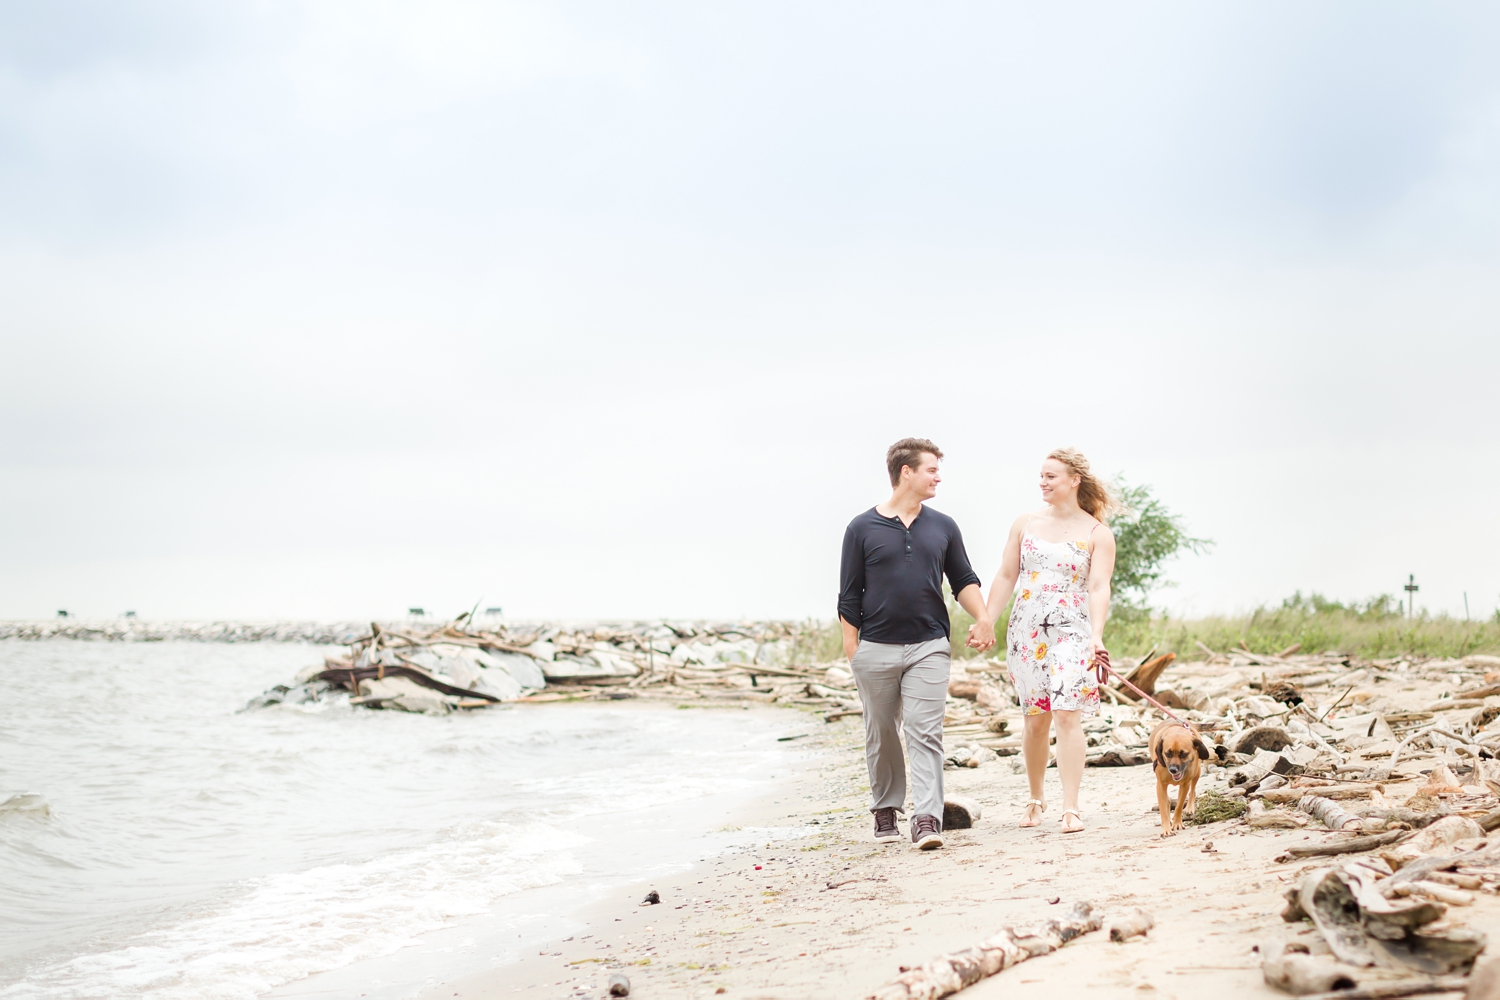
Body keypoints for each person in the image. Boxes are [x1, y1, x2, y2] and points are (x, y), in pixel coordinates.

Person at [839, 438, 995, 850]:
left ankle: (927, 818)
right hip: (875, 647)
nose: (938, 476)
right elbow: (849, 595)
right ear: (906, 472)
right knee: (882, 731)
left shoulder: (943, 526)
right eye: (931, 469)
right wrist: (853, 651)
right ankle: (887, 809)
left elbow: (962, 579)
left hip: (929, 645)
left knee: (925, 732)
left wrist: (982, 617)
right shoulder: (861, 528)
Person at [983, 448, 1119, 834]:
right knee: (1036, 719)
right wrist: (987, 620)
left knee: (1067, 713)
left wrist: (1096, 636)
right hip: (1026, 631)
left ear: (1074, 480)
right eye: (1041, 476)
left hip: (1073, 632)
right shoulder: (1024, 524)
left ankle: (1071, 807)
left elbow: (1098, 587)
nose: (1042, 482)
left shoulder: (1097, 533)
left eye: (1051, 476)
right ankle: (1035, 797)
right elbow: (1007, 575)